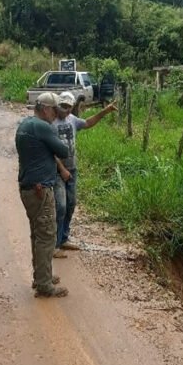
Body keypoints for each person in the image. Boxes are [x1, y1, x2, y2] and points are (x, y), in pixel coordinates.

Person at [16, 92, 70, 297]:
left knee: (38, 235)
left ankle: (41, 276)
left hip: (28, 188)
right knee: (47, 236)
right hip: (39, 190)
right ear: (46, 109)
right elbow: (63, 151)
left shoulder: (26, 124)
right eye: (55, 110)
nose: (56, 115)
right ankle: (44, 285)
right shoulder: (42, 127)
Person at [52, 91, 116, 255]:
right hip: (58, 171)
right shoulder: (51, 123)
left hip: (72, 169)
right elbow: (50, 152)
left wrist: (105, 111)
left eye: (68, 107)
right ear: (57, 105)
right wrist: (62, 169)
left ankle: (64, 238)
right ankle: (55, 244)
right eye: (63, 106)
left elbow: (88, 123)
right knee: (61, 206)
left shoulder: (72, 120)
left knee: (71, 204)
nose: (65, 110)